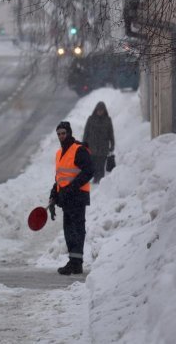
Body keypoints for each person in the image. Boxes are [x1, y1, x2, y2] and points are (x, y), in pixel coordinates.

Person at [48, 121, 93, 275]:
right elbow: (60, 177)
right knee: (69, 231)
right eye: (58, 134)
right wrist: (54, 195)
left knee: (77, 230)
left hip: (78, 197)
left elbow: (89, 171)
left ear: (69, 133)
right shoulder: (59, 153)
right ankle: (74, 262)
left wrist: (71, 189)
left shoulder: (78, 150)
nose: (61, 136)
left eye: (63, 133)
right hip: (66, 198)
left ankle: (76, 263)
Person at [82, 101, 115, 183]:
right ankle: (95, 179)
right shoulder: (91, 119)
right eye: (98, 110)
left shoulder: (107, 120)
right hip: (92, 147)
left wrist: (112, 145)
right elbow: (86, 133)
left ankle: (100, 182)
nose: (100, 111)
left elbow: (111, 133)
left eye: (101, 110)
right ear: (96, 110)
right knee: (93, 165)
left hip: (103, 148)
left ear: (104, 110)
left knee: (101, 166)